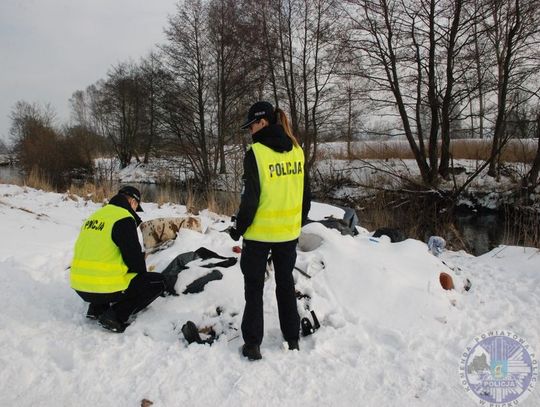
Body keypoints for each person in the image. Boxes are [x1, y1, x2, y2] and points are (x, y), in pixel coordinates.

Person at [229, 101, 311, 360]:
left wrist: (237, 228)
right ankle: (292, 338)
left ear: (262, 122)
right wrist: (297, 223)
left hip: (259, 234)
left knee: (253, 289)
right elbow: (305, 196)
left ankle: (253, 344)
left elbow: (250, 200)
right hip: (287, 234)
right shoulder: (297, 150)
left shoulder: (256, 153)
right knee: (285, 285)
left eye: (251, 125)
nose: (249, 130)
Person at [70, 186, 165, 333]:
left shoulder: (96, 215)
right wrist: (142, 278)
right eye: (136, 207)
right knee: (157, 282)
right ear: (133, 202)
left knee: (109, 268)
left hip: (79, 285)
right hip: (102, 286)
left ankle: (96, 308)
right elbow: (133, 259)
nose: (135, 210)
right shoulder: (123, 218)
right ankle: (115, 316)